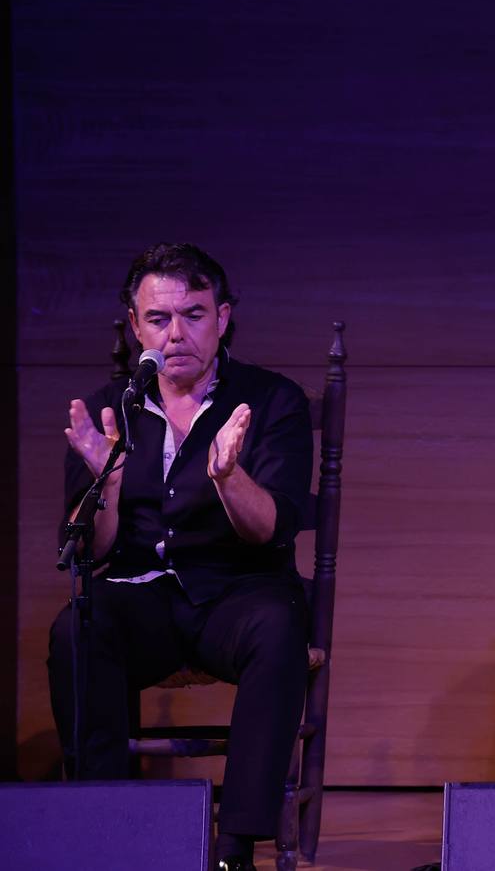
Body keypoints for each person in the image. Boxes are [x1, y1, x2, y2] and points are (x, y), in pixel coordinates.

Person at [48, 243, 313, 871]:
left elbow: (271, 530)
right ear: (135, 326)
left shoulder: (273, 401)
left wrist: (228, 477)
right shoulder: (110, 410)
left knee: (279, 628)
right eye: (159, 319)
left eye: (194, 315)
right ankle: (103, 831)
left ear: (223, 318)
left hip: (237, 592)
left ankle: (234, 849)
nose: (177, 335)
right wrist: (105, 488)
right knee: (79, 627)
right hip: (144, 596)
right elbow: (93, 551)